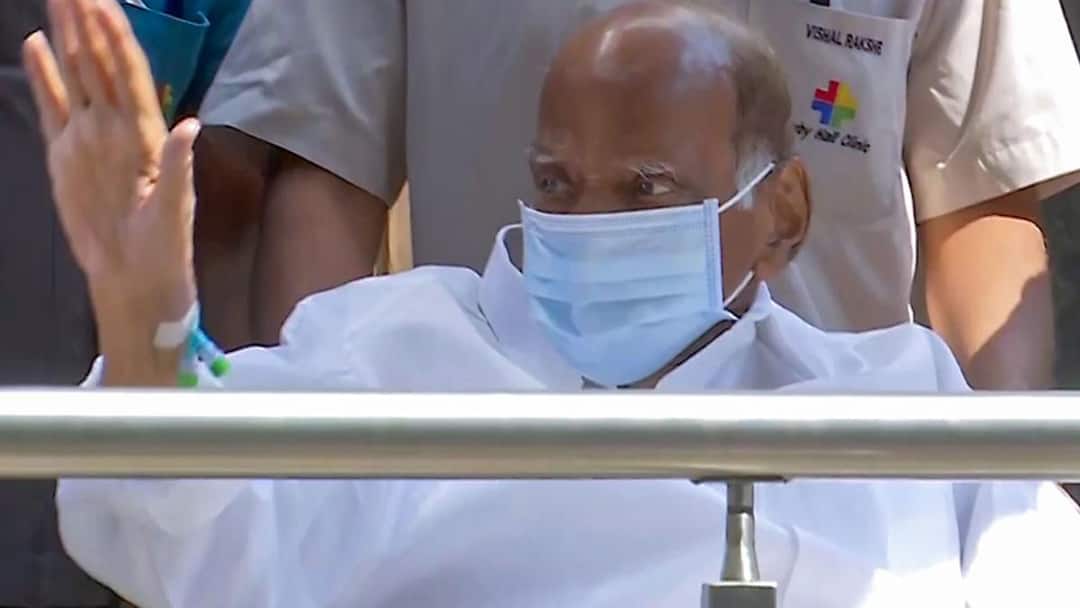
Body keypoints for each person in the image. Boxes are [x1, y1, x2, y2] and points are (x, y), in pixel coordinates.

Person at [23, 1, 1080, 605]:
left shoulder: (896, 410)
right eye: (558, 184)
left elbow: (1032, 563)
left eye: (647, 190)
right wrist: (147, 317)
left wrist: (1003, 441)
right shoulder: (399, 371)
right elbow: (189, 516)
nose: (595, 223)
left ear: (781, 214)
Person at [193, 0, 1080, 390]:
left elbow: (979, 200)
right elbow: (326, 170)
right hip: (491, 488)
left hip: (829, 489)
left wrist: (995, 491)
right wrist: (321, 466)